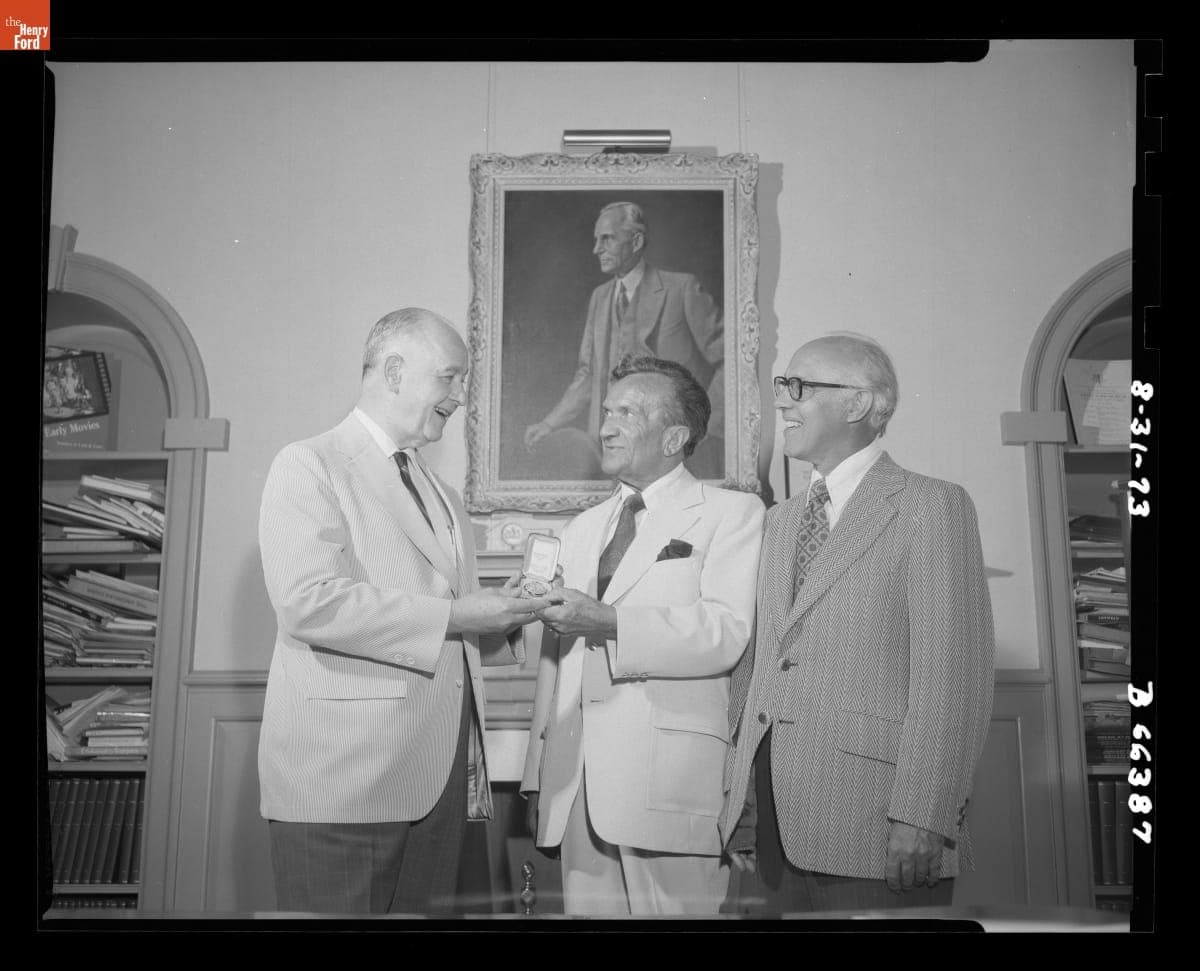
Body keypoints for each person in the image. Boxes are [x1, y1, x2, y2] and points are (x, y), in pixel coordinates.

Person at [257, 307, 552, 914]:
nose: (461, 397)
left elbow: (456, 618)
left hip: (437, 780)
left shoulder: (443, 496)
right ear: (394, 371)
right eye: (451, 378)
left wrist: (509, 612)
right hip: (345, 781)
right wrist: (462, 616)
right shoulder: (308, 463)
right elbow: (308, 602)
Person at [720, 333, 995, 912]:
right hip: (775, 823)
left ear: (861, 404)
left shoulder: (930, 506)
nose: (784, 403)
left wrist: (924, 814)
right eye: (781, 387)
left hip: (879, 821)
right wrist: (740, 800)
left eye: (801, 387)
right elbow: (763, 666)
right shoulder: (781, 521)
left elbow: (954, 681)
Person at [521, 355, 764, 915]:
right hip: (575, 786)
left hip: (669, 782)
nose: (604, 426)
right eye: (606, 411)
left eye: (625, 413)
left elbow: (727, 632)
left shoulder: (732, 513)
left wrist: (609, 623)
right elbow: (557, 661)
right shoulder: (581, 528)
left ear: (675, 436)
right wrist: (540, 775)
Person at [523, 201, 725, 479]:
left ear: (636, 241)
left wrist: (704, 424)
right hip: (611, 450)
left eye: (606, 239)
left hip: (671, 452)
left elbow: (732, 361)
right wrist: (548, 424)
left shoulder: (683, 288)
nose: (597, 249)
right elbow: (588, 375)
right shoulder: (600, 297)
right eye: (596, 240)